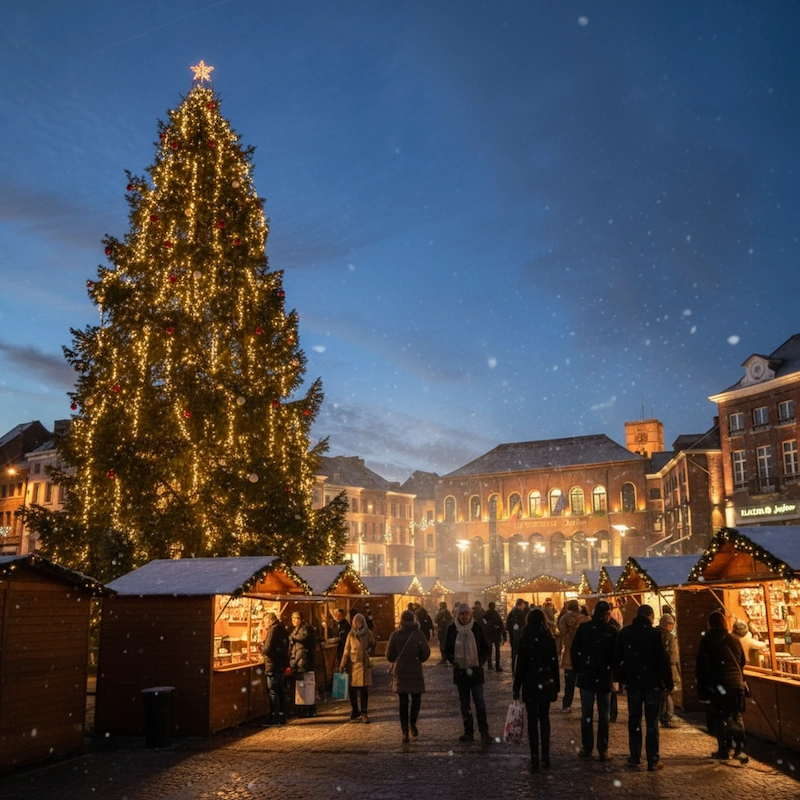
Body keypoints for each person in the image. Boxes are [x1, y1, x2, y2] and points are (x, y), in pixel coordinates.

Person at [615, 605, 673, 772]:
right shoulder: (655, 634)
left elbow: (617, 658)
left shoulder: (626, 633)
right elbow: (663, 660)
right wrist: (668, 683)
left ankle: (634, 757)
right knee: (652, 723)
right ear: (649, 616)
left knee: (634, 720)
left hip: (633, 684)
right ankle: (652, 760)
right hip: (652, 684)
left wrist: (620, 678)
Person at [696, 610, 748, 763]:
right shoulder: (734, 639)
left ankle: (723, 749)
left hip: (719, 685)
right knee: (736, 716)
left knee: (720, 717)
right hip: (737, 684)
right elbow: (742, 661)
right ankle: (739, 748)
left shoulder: (707, 640)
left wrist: (702, 687)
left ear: (710, 624)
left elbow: (701, 666)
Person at [513, 608, 560, 772]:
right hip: (546, 682)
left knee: (532, 721)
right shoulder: (549, 638)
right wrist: (557, 685)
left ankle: (534, 757)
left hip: (530, 683)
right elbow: (554, 664)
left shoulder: (525, 638)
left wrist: (516, 686)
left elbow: (521, 665)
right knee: (544, 719)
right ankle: (545, 755)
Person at [570, 599, 618, 761]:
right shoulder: (611, 631)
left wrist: (579, 669)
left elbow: (574, 650)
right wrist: (613, 672)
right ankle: (602, 749)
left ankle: (587, 746)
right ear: (606, 614)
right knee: (603, 715)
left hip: (587, 677)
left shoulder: (585, 629)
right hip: (604, 678)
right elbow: (616, 656)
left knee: (587, 714)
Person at [445, 602, 492, 743]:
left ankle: (484, 732)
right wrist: (455, 661)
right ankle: (468, 731)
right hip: (460, 672)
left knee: (479, 702)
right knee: (465, 704)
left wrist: (479, 661)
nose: (465, 616)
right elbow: (447, 648)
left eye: (467, 614)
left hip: (475, 671)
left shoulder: (477, 628)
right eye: (462, 614)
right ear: (457, 615)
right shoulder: (453, 629)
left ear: (470, 614)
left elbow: (485, 647)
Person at [387, 609, 431, 742]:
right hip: (415, 670)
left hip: (401, 672)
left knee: (403, 702)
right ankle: (413, 723)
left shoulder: (395, 634)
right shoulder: (418, 634)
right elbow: (426, 652)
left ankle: (404, 730)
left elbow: (389, 655)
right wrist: (418, 659)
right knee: (416, 699)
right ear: (413, 619)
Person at [339, 612, 376, 723]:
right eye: (355, 622)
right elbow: (346, 650)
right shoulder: (351, 634)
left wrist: (370, 650)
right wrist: (342, 663)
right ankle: (355, 710)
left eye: (359, 622)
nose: (357, 624)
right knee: (352, 690)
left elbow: (373, 644)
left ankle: (364, 712)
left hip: (364, 664)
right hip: (353, 665)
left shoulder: (368, 633)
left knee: (364, 690)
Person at [557, 599, 587, 713]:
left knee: (569, 683)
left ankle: (566, 704)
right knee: (583, 684)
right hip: (582, 654)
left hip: (569, 654)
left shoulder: (564, 619)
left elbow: (561, 632)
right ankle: (585, 705)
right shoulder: (585, 619)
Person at [260, 611, 289, 726]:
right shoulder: (282, 628)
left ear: (270, 620)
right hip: (281, 664)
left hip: (273, 665)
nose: (264, 625)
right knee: (280, 690)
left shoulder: (273, 630)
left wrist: (260, 647)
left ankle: (274, 716)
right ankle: (282, 715)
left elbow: (267, 649)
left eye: (265, 622)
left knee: (273, 691)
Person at [288, 610, 316, 716]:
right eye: (293, 618)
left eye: (297, 618)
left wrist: (292, 637)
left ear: (302, 619)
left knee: (306, 686)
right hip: (299, 662)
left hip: (304, 662)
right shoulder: (296, 630)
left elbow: (302, 641)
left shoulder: (305, 629)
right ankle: (304, 708)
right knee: (302, 686)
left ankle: (307, 709)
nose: (295, 621)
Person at [658, 613, 681, 728]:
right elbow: (674, 656)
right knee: (668, 694)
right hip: (669, 670)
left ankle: (662, 716)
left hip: (657, 670)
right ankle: (667, 717)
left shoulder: (655, 634)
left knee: (662, 694)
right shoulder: (670, 637)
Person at [506, 598, 528, 673]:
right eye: (523, 605)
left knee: (516, 654)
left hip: (518, 636)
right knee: (517, 654)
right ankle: (516, 669)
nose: (524, 606)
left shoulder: (514, 613)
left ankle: (516, 669)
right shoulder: (515, 614)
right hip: (517, 637)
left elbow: (508, 626)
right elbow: (509, 626)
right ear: (519, 605)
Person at [482, 601, 505, 671]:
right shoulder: (496, 614)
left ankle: (490, 665)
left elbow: (483, 624)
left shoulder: (485, 614)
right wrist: (502, 631)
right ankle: (497, 666)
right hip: (496, 634)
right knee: (497, 651)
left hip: (489, 635)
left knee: (490, 650)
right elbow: (500, 623)